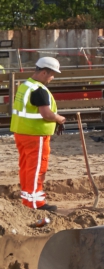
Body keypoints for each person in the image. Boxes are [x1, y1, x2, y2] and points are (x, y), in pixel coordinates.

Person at [11, 56, 65, 209]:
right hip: (36, 135)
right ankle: (36, 203)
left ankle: (28, 200)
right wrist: (59, 118)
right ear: (44, 73)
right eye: (52, 74)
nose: (52, 78)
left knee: (26, 167)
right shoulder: (39, 90)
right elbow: (46, 114)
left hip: (21, 133)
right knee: (36, 169)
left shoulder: (25, 86)